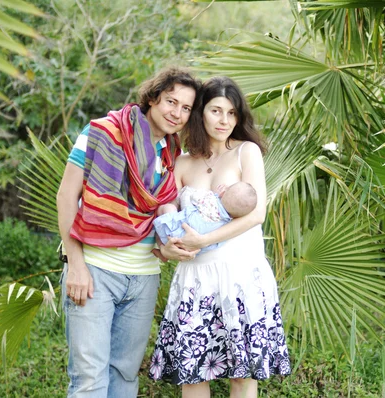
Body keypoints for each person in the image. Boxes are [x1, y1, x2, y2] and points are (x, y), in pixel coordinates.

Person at [56, 66, 201, 397]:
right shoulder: (101, 133)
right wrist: (75, 265)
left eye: (186, 108)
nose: (177, 113)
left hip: (143, 277)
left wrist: (171, 248)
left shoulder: (172, 153)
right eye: (170, 101)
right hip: (94, 271)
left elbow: (161, 216)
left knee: (124, 377)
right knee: (89, 380)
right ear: (152, 98)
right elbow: (66, 197)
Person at [149, 76, 291, 398]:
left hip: (241, 275)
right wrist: (168, 243)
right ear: (200, 113)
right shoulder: (183, 162)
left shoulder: (246, 152)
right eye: (215, 111)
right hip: (196, 278)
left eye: (231, 113)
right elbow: (166, 209)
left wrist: (201, 241)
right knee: (194, 373)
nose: (224, 120)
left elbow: (257, 214)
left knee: (242, 375)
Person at [153, 181, 257, 254]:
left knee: (167, 208)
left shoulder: (210, 200)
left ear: (223, 193)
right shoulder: (227, 225)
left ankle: (160, 241)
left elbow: (193, 196)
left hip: (174, 232)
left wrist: (215, 193)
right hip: (189, 249)